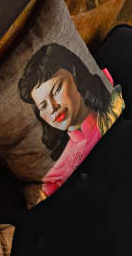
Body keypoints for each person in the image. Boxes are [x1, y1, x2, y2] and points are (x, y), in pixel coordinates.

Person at [16, 44, 125, 198]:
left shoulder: (113, 105)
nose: (53, 107)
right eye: (43, 105)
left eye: (56, 90)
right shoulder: (58, 169)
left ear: (76, 75)